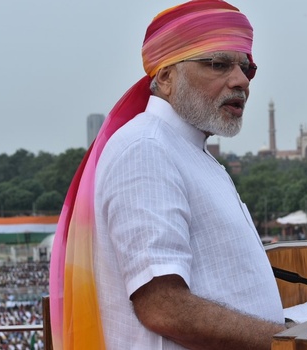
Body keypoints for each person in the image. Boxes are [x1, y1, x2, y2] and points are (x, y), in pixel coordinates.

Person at [48, 1, 286, 349]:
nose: (240, 81)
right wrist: (291, 342)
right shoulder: (146, 149)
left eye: (245, 68)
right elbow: (164, 307)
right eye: (218, 64)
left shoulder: (187, 150)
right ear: (165, 77)